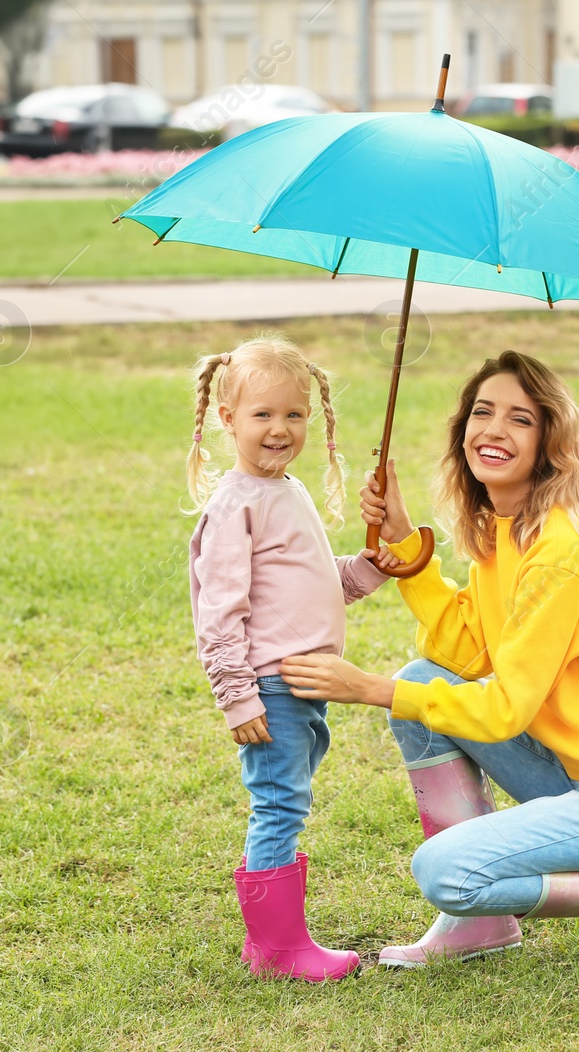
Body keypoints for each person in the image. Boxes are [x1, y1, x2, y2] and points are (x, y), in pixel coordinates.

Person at [280, 350, 579, 970]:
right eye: (482, 412)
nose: (493, 429)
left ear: (549, 443)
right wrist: (403, 536)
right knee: (423, 687)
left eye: (520, 419)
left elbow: (505, 707)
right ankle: (480, 928)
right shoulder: (506, 529)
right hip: (578, 771)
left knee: (445, 871)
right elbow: (466, 648)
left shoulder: (565, 550)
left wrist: (369, 688)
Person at [186, 332, 386, 982]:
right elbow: (219, 611)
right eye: (263, 414)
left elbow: (309, 578)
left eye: (293, 414)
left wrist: (370, 568)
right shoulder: (236, 504)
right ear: (227, 419)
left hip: (302, 682)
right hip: (270, 685)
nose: (280, 428)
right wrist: (237, 696)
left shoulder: (284, 489)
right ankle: (276, 947)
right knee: (277, 802)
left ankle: (271, 939)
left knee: (287, 797)